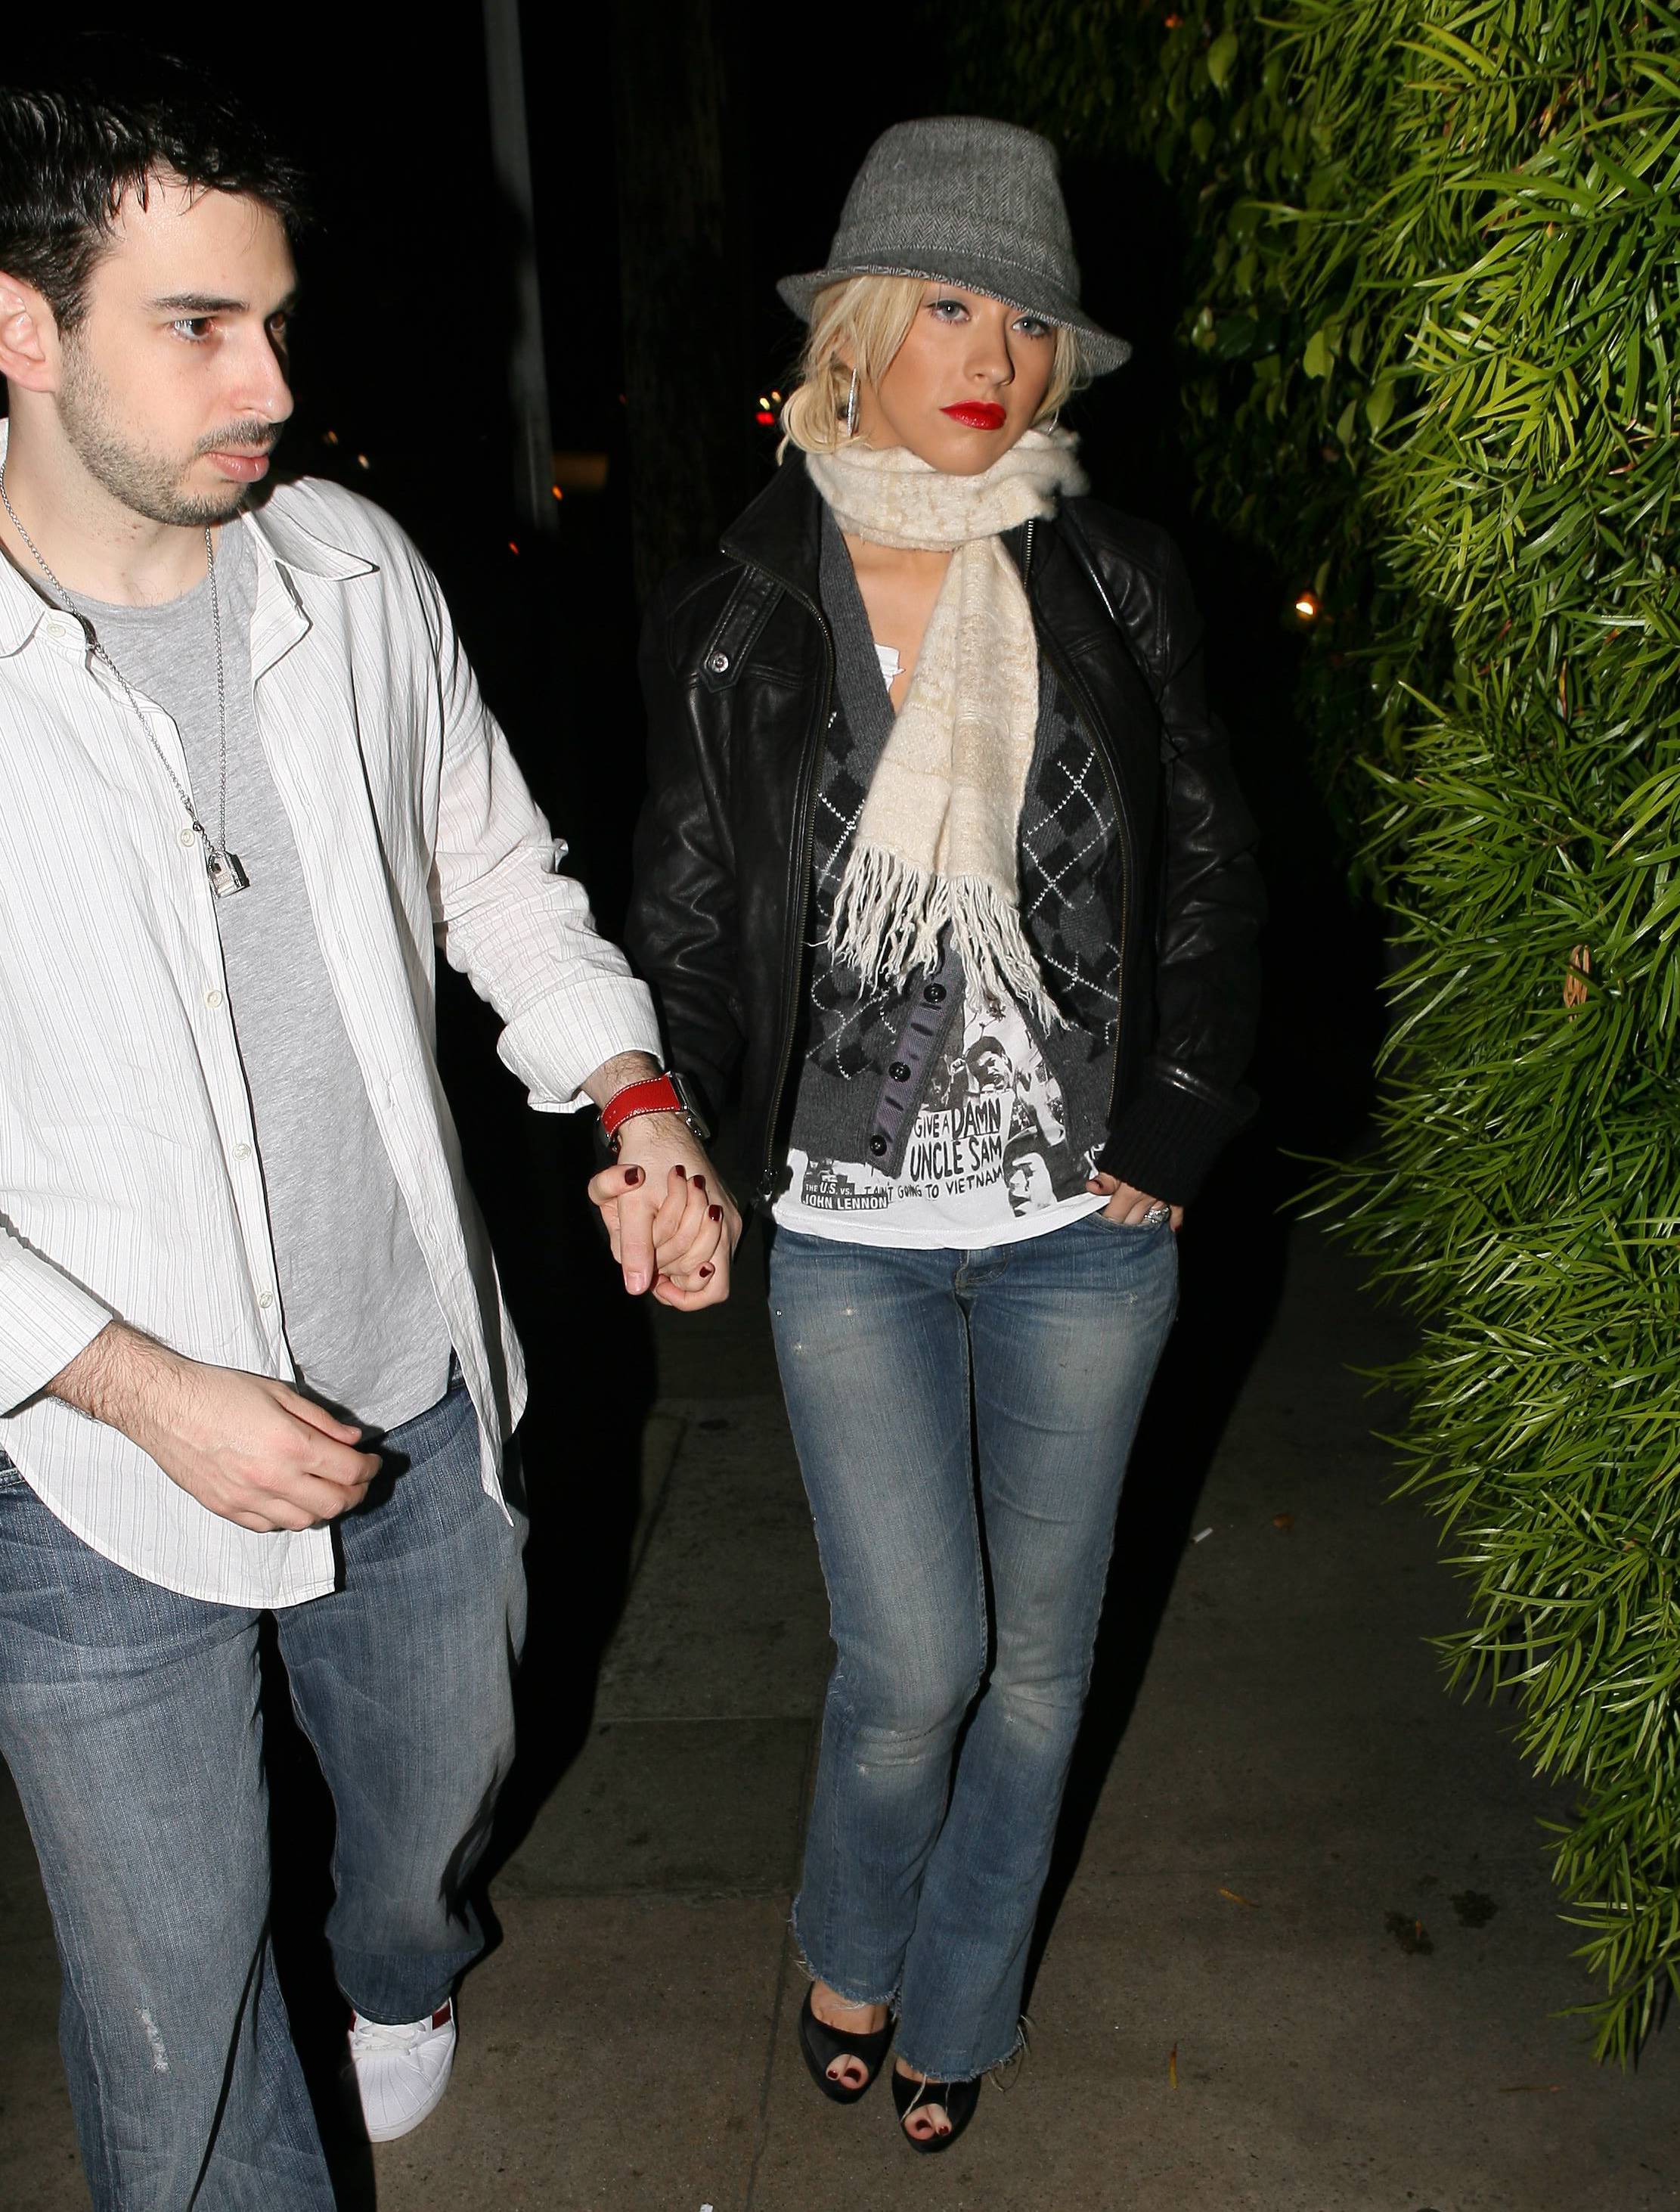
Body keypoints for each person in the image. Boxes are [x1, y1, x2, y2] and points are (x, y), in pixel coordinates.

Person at [0, 48, 736, 2210]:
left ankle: (402, 1966)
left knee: (427, 1811)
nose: (271, 383)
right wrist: (145, 1390)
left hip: (412, 1386)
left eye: (277, 321)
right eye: (198, 326)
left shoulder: (347, 572)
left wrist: (632, 1100)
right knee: (179, 2017)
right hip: (87, 1471)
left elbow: (490, 873)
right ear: (20, 326)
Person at [628, 116, 1261, 2153]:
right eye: (956, 307)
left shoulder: (1112, 578)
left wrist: (1182, 1109)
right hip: (849, 1227)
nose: (996, 357)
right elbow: (688, 922)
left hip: (1088, 1219)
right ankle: (850, 1937)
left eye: (1032, 322)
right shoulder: (744, 604)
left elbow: (1209, 875)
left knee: (1044, 1669)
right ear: (866, 327)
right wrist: (659, 1128)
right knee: (915, 1664)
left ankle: (963, 2001)